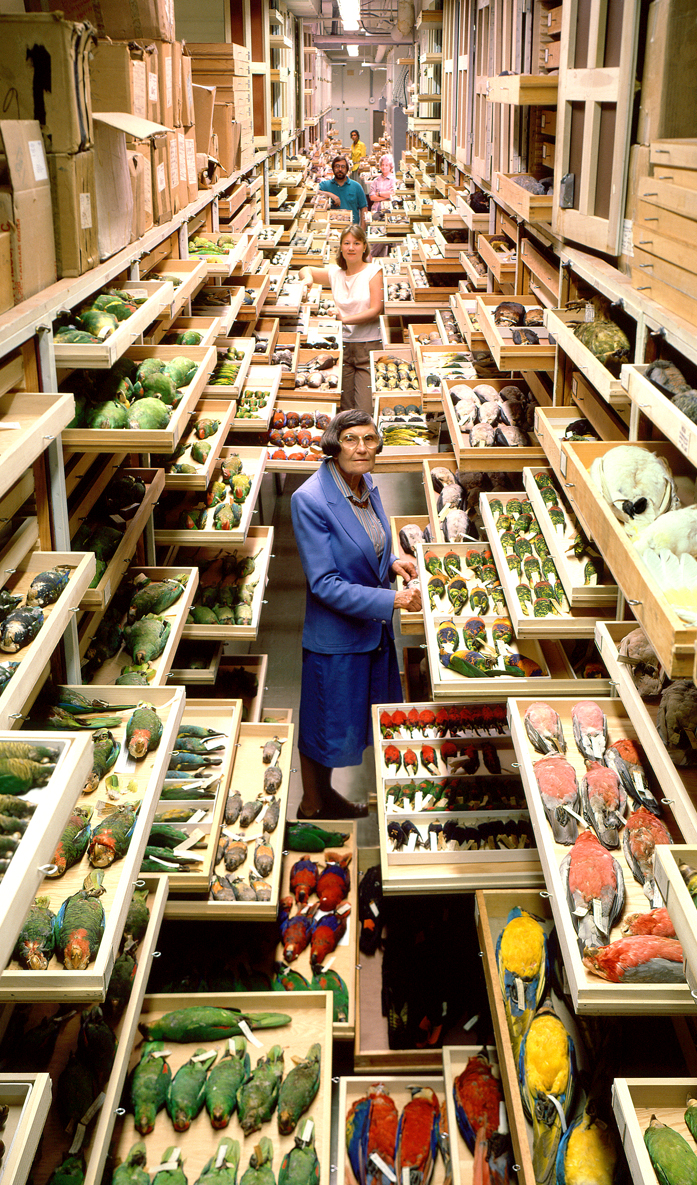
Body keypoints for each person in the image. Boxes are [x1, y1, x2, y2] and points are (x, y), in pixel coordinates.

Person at [291, 410, 421, 818]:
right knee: (325, 722)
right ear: (334, 445)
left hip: (370, 630)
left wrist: (391, 564)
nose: (362, 448)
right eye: (351, 439)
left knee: (353, 716)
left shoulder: (366, 485)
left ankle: (322, 799)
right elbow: (325, 583)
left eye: (369, 439)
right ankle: (313, 804)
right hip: (337, 635)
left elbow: (368, 544)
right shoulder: (311, 500)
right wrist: (393, 601)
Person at [299, 225, 383, 414]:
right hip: (342, 349)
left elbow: (376, 309)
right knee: (343, 408)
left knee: (364, 410)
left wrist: (344, 319)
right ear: (341, 247)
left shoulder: (373, 272)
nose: (351, 248)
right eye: (346, 243)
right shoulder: (335, 274)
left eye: (356, 243)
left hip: (367, 347)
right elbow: (305, 269)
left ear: (364, 247)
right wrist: (307, 280)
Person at [318, 154, 369, 226]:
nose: (340, 169)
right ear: (333, 168)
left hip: (352, 230)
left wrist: (362, 232)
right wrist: (330, 195)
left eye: (343, 167)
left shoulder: (356, 186)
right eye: (337, 166)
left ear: (347, 169)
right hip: (332, 230)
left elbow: (364, 209)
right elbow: (312, 191)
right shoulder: (325, 185)